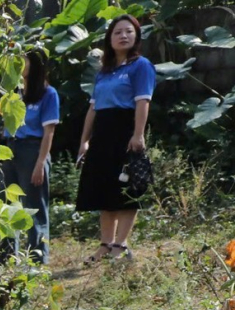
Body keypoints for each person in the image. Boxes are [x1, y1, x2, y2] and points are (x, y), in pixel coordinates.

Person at [77, 14, 156, 260]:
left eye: (128, 32)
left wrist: (138, 134)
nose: (123, 36)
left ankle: (120, 246)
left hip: (126, 130)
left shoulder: (141, 65)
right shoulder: (104, 72)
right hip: (102, 132)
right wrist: (84, 141)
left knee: (127, 189)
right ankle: (105, 244)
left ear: (136, 36)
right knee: (103, 188)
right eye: (117, 32)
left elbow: (143, 101)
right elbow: (93, 108)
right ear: (109, 39)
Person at [2, 51, 59, 263]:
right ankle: (6, 257)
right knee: (7, 204)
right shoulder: (13, 93)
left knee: (34, 206)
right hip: (10, 149)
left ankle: (37, 260)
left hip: (33, 151)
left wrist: (40, 163)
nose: (17, 64)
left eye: (22, 60)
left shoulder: (48, 93)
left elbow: (49, 132)